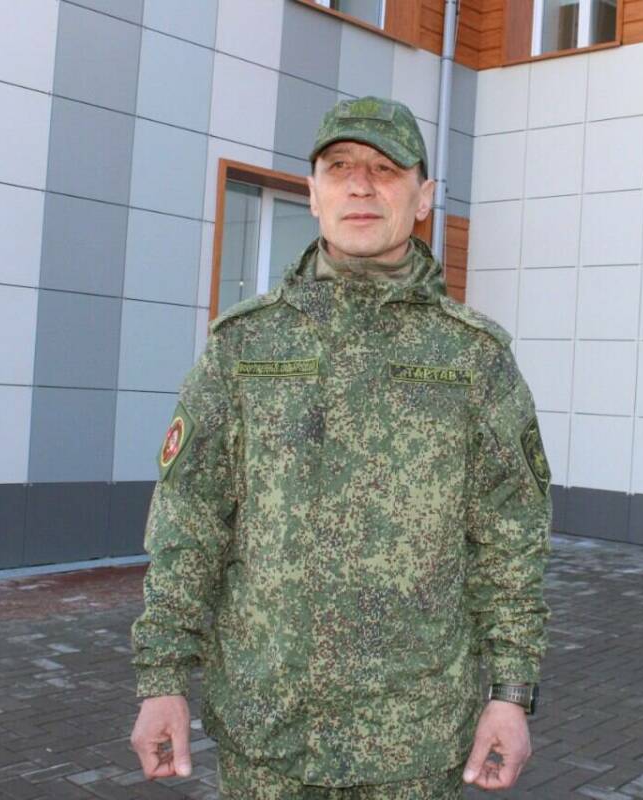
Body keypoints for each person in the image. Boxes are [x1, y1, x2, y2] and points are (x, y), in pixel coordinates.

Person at [129, 96, 551, 798]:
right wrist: (162, 678)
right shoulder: (245, 345)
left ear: (423, 197)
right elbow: (188, 522)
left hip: (415, 745)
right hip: (266, 738)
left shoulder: (472, 357)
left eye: (385, 170)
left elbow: (511, 539)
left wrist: (511, 693)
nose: (360, 185)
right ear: (313, 192)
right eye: (340, 167)